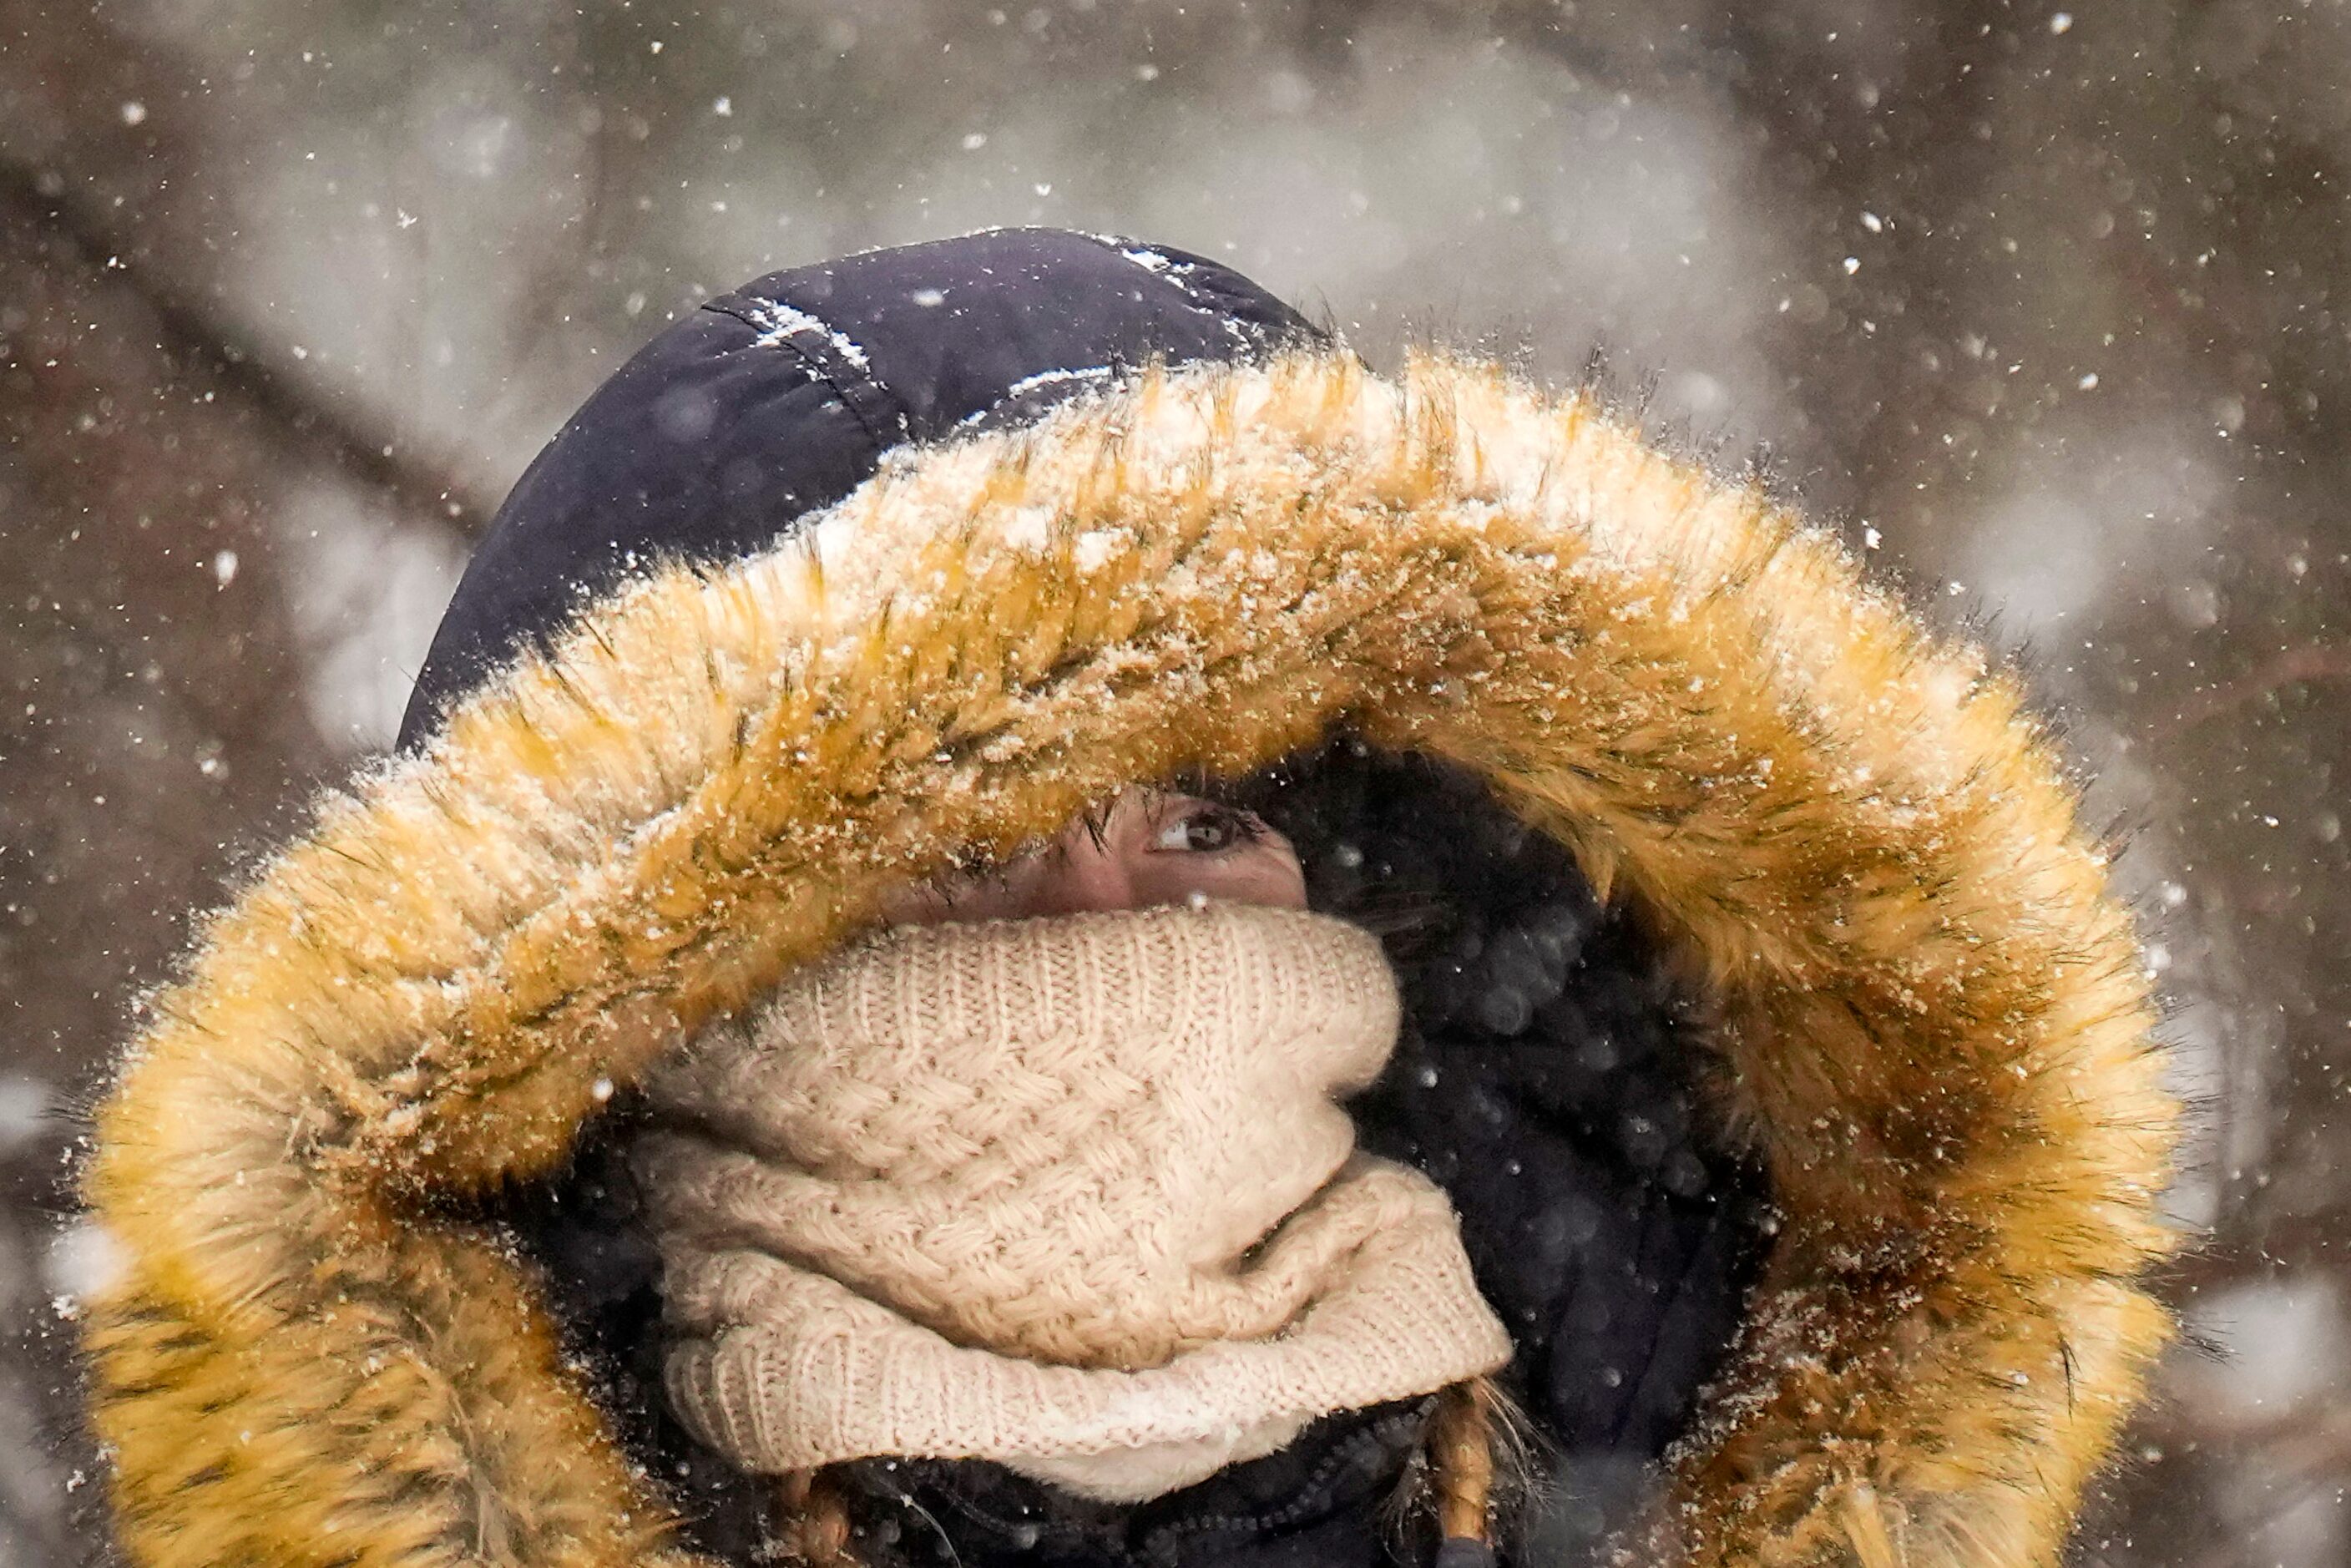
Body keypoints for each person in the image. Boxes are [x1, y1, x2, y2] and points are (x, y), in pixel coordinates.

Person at [80, 229, 2181, 1568]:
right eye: (964, 851)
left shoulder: (1641, 1396)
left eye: (1200, 828)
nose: (1117, 949)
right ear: (657, 984)